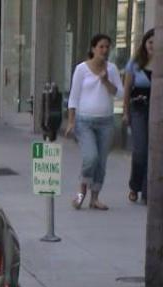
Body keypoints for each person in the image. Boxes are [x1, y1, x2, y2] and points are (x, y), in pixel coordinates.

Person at [66, 34, 123, 210]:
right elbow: (73, 97)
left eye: (107, 47)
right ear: (93, 49)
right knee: (91, 157)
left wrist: (105, 81)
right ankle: (81, 192)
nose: (104, 51)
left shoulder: (111, 69)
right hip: (85, 122)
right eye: (101, 47)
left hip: (105, 121)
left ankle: (95, 198)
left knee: (101, 162)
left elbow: (119, 93)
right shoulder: (81, 69)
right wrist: (71, 121)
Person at [123, 28, 154, 205]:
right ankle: (135, 186)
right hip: (138, 109)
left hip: (157, 112)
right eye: (150, 42)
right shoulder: (135, 63)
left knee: (155, 152)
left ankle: (148, 191)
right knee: (140, 150)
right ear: (145, 43)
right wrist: (126, 111)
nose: (153, 46)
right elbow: (127, 89)